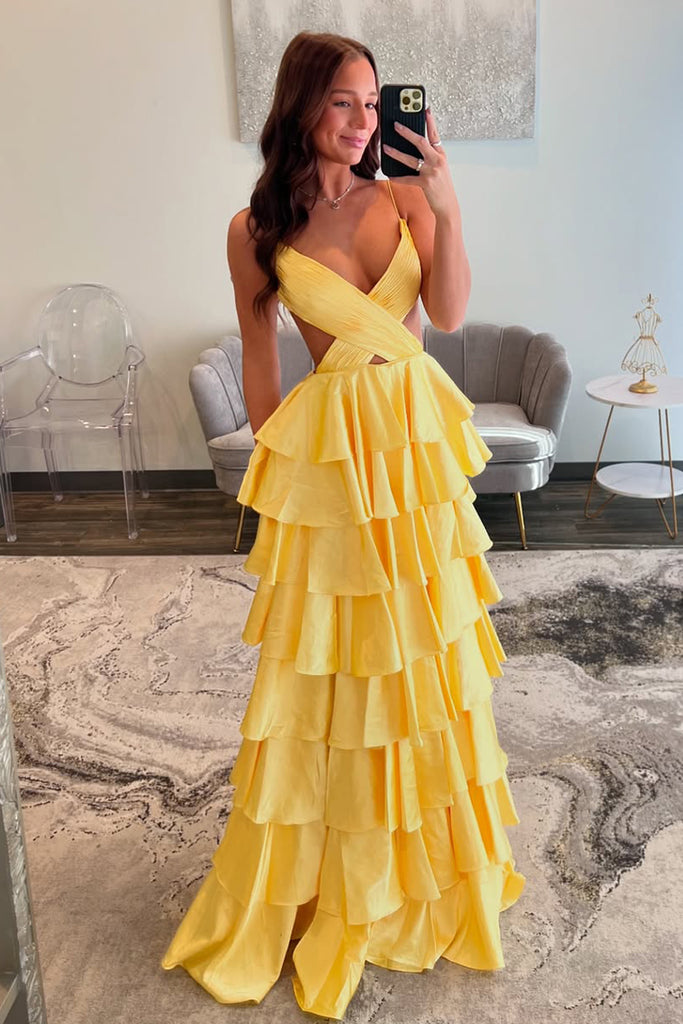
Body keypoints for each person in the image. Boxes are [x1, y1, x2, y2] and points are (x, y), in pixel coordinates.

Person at [161, 30, 526, 1020]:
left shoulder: (404, 195)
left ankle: (420, 859)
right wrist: (273, 474)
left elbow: (447, 312)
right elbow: (259, 359)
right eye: (342, 103)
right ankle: (329, 862)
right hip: (330, 451)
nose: (364, 121)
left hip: (410, 440)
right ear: (299, 106)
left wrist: (446, 202)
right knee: (332, 660)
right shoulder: (254, 229)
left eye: (372, 103)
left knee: (420, 651)